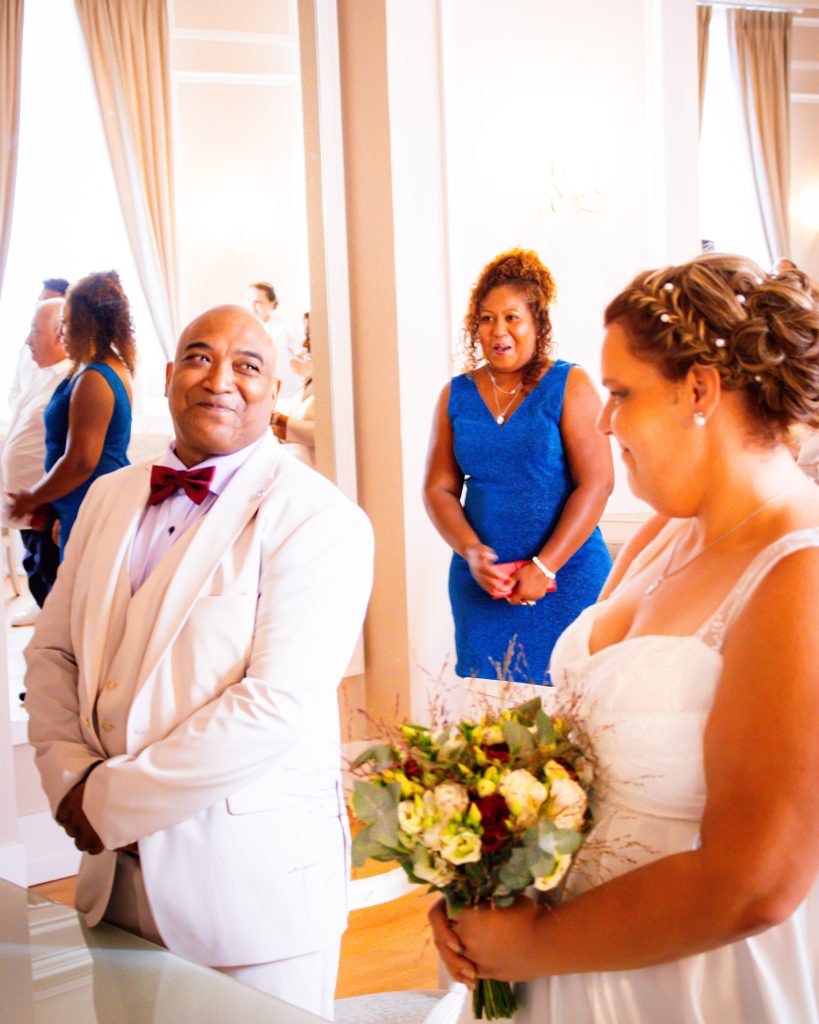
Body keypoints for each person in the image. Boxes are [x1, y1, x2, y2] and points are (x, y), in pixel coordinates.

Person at [430, 253, 819, 1023]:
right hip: (569, 962)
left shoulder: (797, 569)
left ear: (698, 391)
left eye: (620, 393)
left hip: (691, 982)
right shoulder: (663, 532)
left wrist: (535, 946)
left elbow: (758, 882)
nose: (604, 421)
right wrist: (483, 877)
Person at [24, 304, 374, 1019]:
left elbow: (273, 704)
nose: (220, 380)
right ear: (166, 376)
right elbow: (52, 651)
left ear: (275, 391)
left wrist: (106, 802)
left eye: (248, 366)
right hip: (114, 890)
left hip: (251, 901)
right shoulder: (109, 497)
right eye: (199, 357)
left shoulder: (319, 518)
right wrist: (66, 777)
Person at [424, 249, 614, 685]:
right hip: (484, 588)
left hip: (569, 580)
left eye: (512, 317)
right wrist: (472, 553)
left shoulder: (570, 384)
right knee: (490, 715)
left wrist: (545, 567)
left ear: (537, 324)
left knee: (576, 707)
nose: (498, 330)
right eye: (487, 318)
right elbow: (438, 489)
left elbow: (598, 483)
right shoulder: (455, 395)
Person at [7, 271, 134, 556]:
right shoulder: (108, 367)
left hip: (89, 501)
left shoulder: (95, 378)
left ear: (86, 323)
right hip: (80, 502)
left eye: (65, 321)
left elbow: (81, 461)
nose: (61, 331)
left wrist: (32, 498)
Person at [1, 298, 70, 612]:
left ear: (60, 334)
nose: (28, 340)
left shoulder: (72, 381)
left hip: (48, 512)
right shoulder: (41, 374)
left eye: (35, 330)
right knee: (38, 580)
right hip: (27, 512)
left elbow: (75, 455)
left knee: (53, 589)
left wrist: (57, 512)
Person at [7, 277, 70, 412]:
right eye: (40, 301)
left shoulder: (71, 368)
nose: (41, 306)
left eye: (48, 301)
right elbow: (15, 391)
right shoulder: (27, 349)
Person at [246, 280, 303, 401]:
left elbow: (302, 354)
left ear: (271, 304)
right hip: (254, 392)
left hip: (284, 394)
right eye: (249, 300)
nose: (252, 306)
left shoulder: (286, 328)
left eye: (258, 302)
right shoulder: (243, 329)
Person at [271, 337, 315, 466]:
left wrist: (275, 419)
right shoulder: (310, 378)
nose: (305, 344)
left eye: (309, 337)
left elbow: (322, 433)